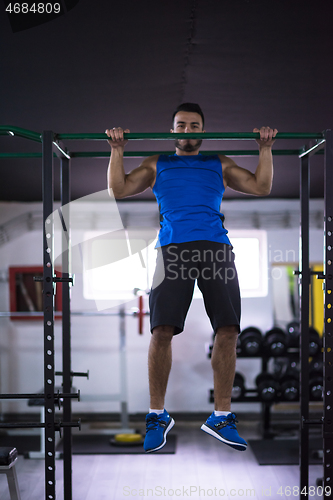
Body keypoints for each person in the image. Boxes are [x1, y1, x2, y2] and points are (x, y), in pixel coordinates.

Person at [106, 103, 277, 453]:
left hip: (216, 248)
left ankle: (222, 416)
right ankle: (157, 415)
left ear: (203, 130)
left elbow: (261, 187)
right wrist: (117, 151)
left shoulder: (220, 162)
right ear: (173, 131)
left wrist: (265, 149)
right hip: (172, 251)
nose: (187, 131)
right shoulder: (157, 163)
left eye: (194, 126)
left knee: (228, 329)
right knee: (162, 331)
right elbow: (118, 190)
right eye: (181, 126)